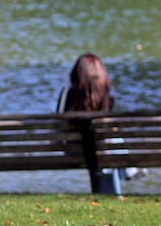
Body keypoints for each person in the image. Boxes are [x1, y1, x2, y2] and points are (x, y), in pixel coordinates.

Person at [56, 53, 141, 195]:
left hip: (73, 150)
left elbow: (59, 123)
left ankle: (125, 172)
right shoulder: (106, 95)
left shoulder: (68, 93)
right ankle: (128, 170)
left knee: (108, 143)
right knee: (112, 140)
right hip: (102, 150)